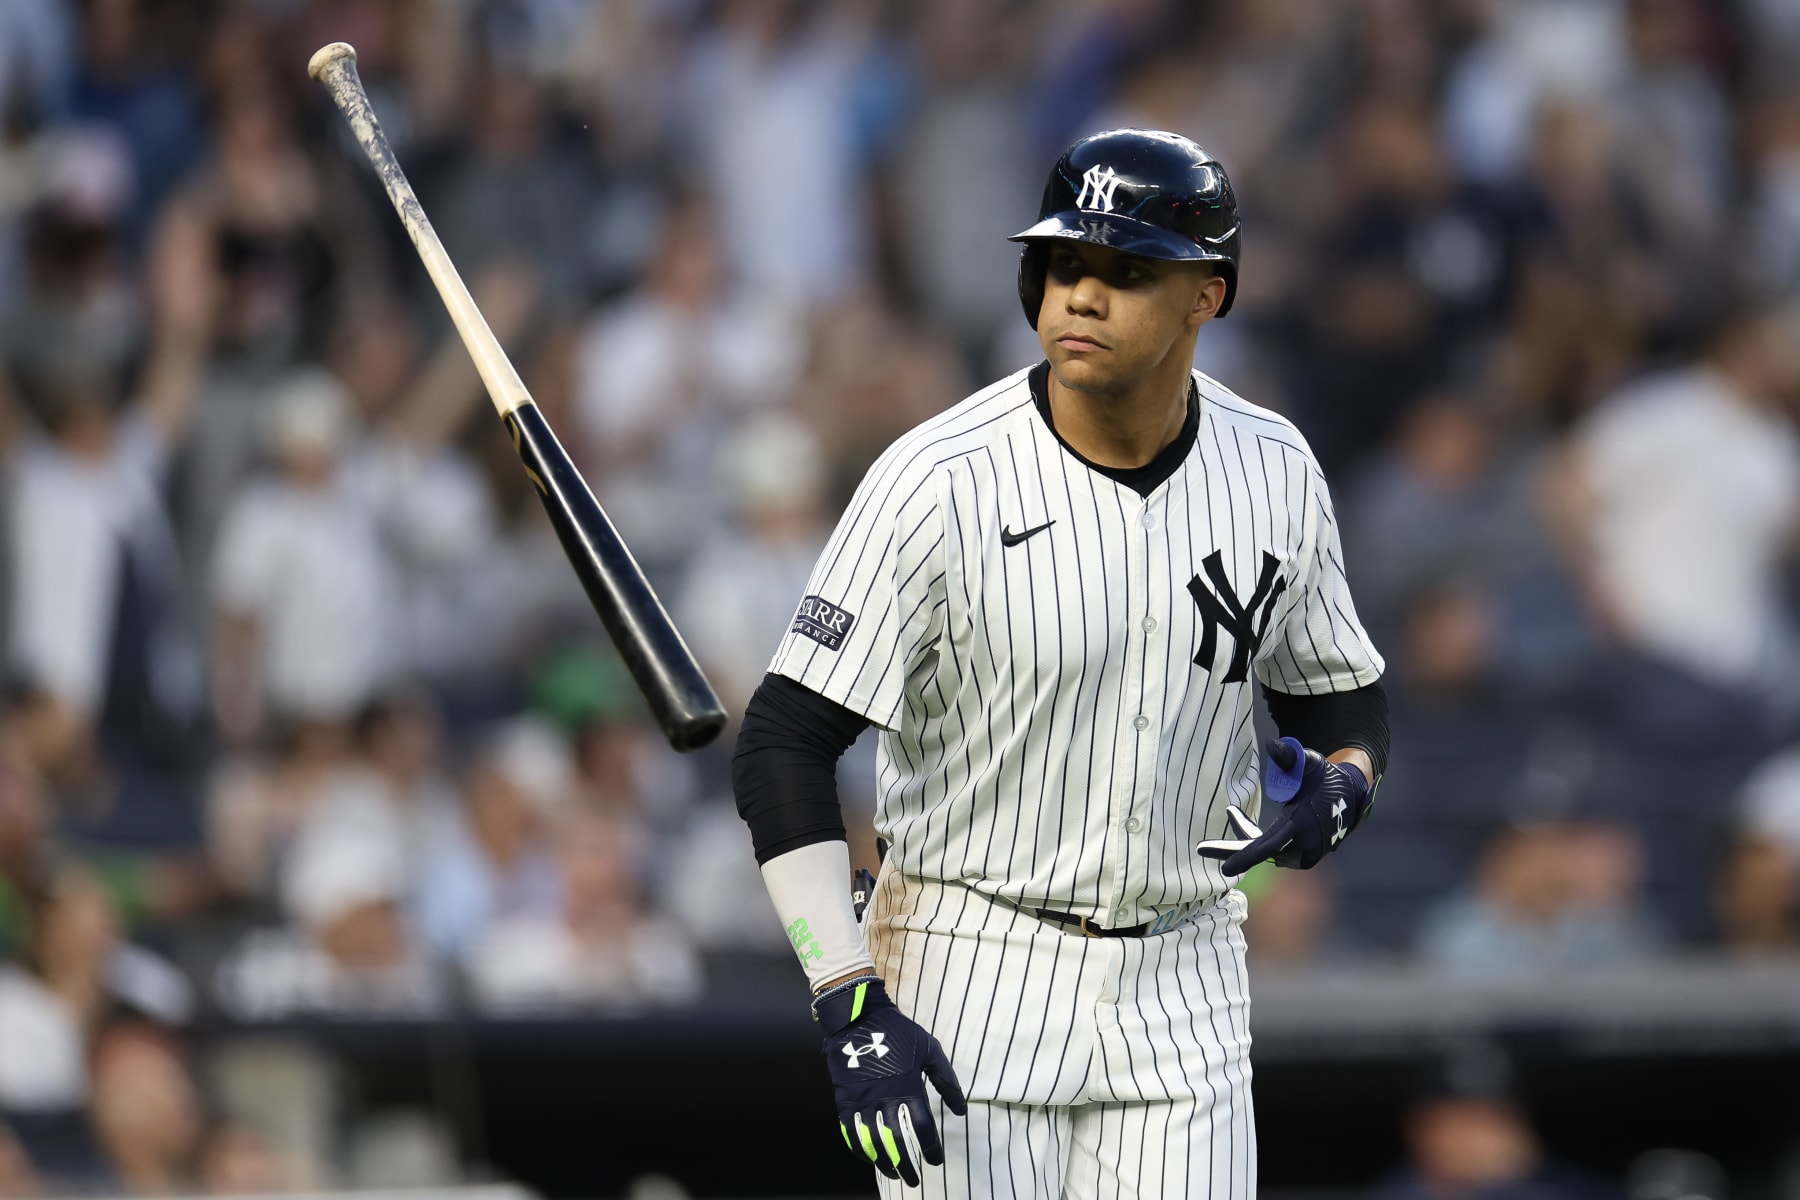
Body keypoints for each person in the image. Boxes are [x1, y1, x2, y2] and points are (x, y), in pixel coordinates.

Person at [731, 129, 1389, 1198]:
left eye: (1126, 272)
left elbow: (1342, 696)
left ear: (1205, 298)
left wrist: (1348, 782)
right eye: (1065, 264)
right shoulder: (938, 478)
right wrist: (846, 998)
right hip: (967, 961)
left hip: (1186, 974)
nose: (1080, 295)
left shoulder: (1275, 467)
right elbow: (784, 743)